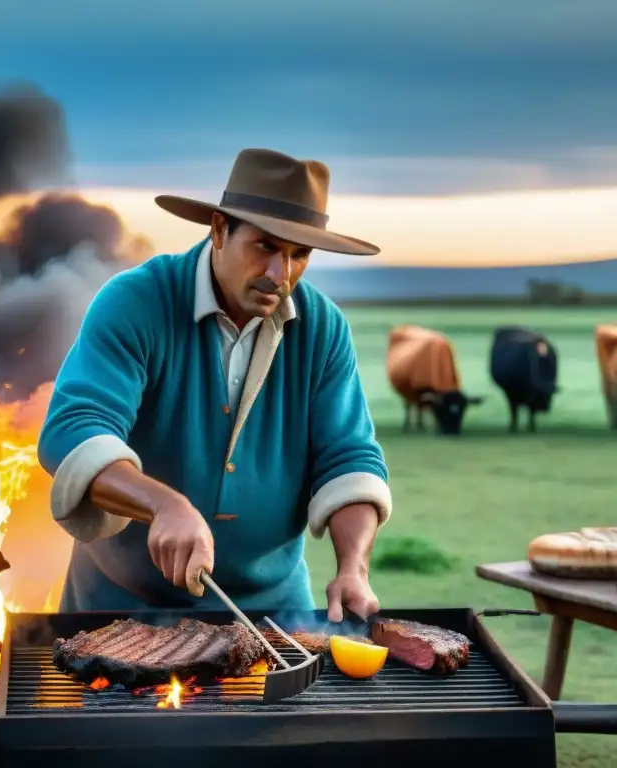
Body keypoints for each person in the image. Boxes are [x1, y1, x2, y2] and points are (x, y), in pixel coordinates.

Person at [37, 148, 392, 622]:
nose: (278, 275)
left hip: (275, 617)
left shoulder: (324, 328)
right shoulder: (136, 302)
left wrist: (354, 567)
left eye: (298, 255)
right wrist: (163, 504)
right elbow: (74, 430)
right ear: (220, 229)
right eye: (265, 246)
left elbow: (349, 457)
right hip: (121, 611)